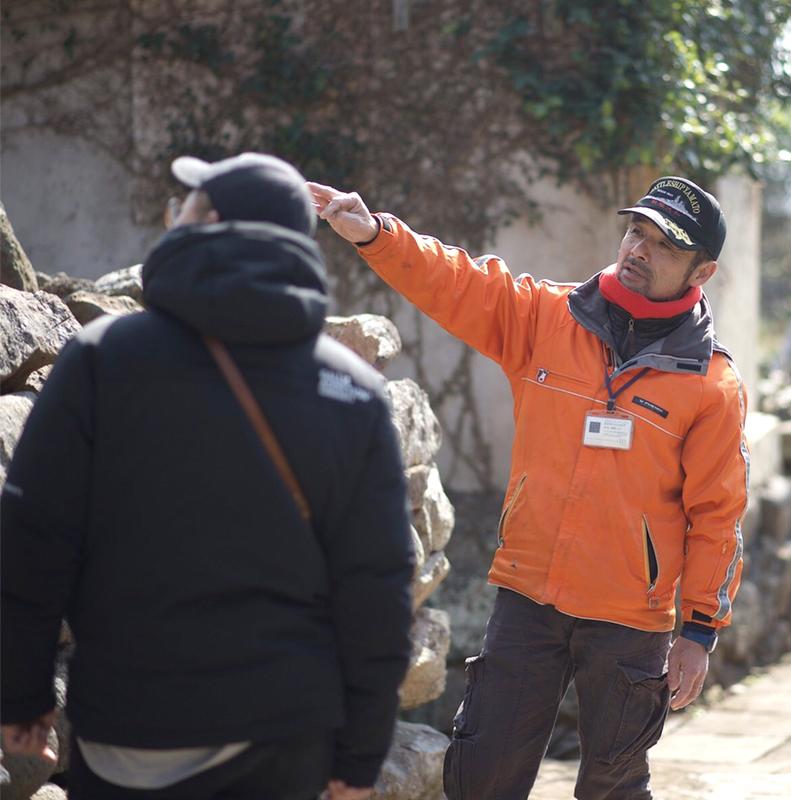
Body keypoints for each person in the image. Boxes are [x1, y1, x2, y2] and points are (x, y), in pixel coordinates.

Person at [309, 175, 748, 799]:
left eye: (664, 246)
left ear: (701, 272)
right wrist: (376, 234)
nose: (638, 250)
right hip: (528, 594)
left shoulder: (712, 384)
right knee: (481, 779)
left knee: (614, 787)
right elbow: (458, 282)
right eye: (636, 231)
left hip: (631, 617)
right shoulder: (547, 316)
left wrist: (700, 631)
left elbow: (719, 514)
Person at [1, 153, 416, 800]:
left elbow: (33, 540)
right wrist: (360, 755)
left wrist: (20, 694)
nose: (175, 216)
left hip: (131, 728)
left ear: (210, 221)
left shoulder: (104, 359)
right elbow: (378, 590)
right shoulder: (352, 392)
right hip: (284, 737)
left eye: (188, 204)